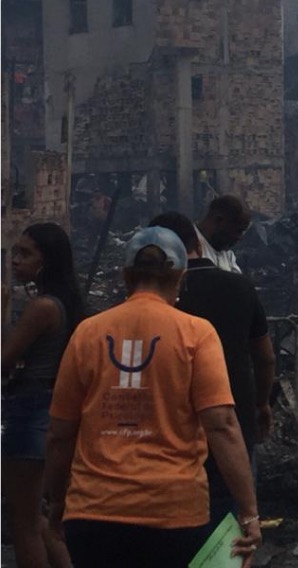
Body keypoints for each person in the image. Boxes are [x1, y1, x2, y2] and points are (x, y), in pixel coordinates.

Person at [44, 227, 263, 567]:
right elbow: (221, 425)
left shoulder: (88, 333)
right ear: (181, 277)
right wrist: (248, 512)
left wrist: (57, 501)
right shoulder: (196, 333)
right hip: (174, 515)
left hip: (93, 514)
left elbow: (60, 432)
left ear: (125, 275)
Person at [150, 211, 276, 534]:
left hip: (171, 430)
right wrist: (262, 404)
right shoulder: (239, 287)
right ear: (197, 244)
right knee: (232, 525)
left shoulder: (155, 303)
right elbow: (265, 357)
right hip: (235, 420)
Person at [2, 223, 85, 568]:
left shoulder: (43, 308)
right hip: (53, 412)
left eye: (25, 253)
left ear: (47, 260)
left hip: (29, 413)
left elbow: (3, 360)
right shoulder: (67, 304)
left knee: (24, 524)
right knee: (45, 519)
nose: (16, 261)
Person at [196, 194, 252, 273]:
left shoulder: (228, 255)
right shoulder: (189, 246)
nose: (240, 238)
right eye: (238, 231)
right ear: (219, 220)